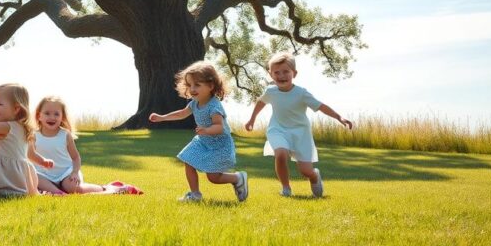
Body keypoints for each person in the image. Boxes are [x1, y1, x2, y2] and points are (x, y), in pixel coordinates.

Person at [245, 51, 354, 198]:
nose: (281, 76)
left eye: (286, 72)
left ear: (294, 73)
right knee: (281, 154)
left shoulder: (301, 93)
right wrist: (252, 119)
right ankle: (286, 188)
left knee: (305, 171)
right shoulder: (270, 91)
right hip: (277, 130)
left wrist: (339, 117)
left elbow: (321, 106)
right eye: (277, 72)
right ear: (271, 75)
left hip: (300, 133)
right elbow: (260, 103)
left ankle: (314, 176)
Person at [150, 61, 248, 202]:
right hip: (203, 141)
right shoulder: (194, 103)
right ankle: (195, 194)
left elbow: (219, 127)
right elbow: (181, 114)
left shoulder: (214, 106)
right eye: (190, 85)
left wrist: (207, 130)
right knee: (188, 160)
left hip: (219, 145)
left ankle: (238, 178)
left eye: (197, 84)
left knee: (213, 177)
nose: (192, 89)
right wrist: (162, 117)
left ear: (210, 86)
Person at [33, 96, 137, 195]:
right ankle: (58, 193)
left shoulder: (65, 135)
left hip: (65, 173)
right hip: (44, 175)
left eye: (56, 114)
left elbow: (76, 157)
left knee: (74, 188)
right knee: (35, 178)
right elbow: (29, 156)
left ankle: (105, 188)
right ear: (39, 116)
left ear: (62, 117)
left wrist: (74, 173)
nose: (52, 117)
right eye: (47, 113)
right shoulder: (33, 136)